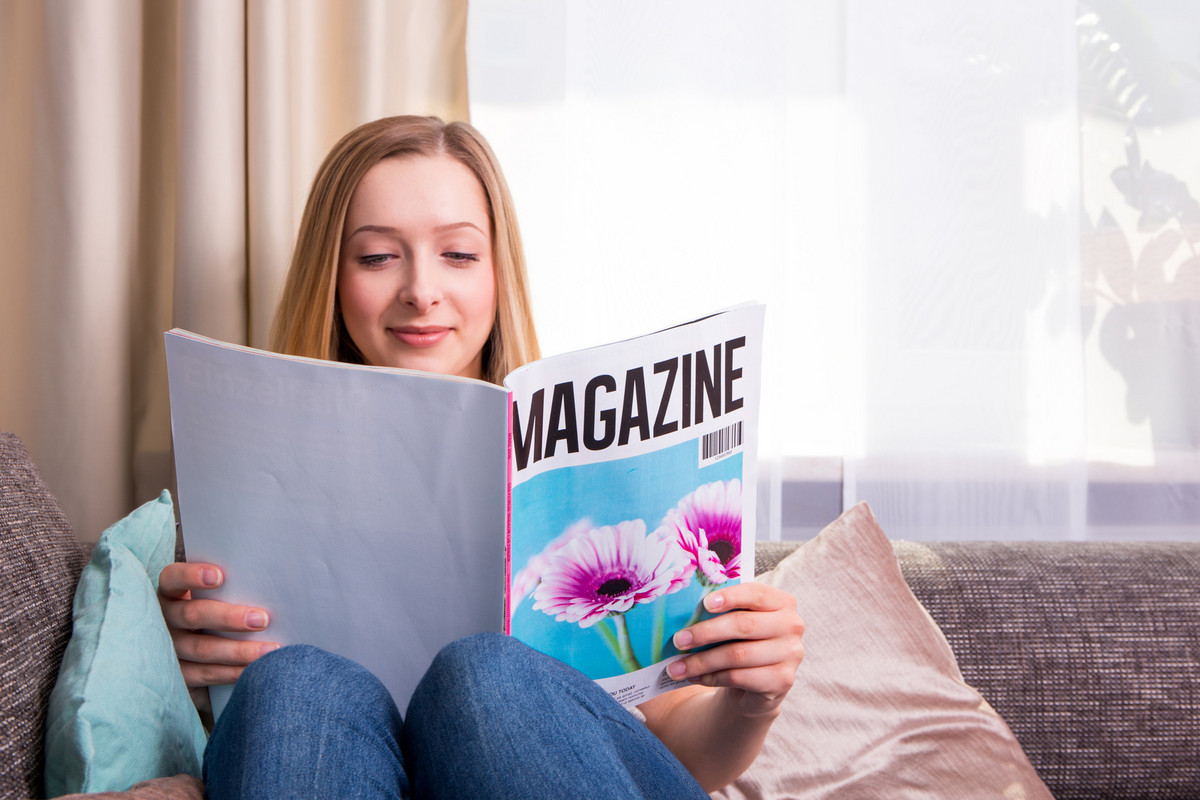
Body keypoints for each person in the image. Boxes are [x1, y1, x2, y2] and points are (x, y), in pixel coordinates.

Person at [158, 115, 805, 799]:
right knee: (293, 683)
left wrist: (753, 699)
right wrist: (179, 661)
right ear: (332, 275)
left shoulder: (583, 477)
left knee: (484, 676)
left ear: (498, 275)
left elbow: (684, 755)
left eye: (459, 256)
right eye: (377, 256)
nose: (421, 290)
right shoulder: (240, 480)